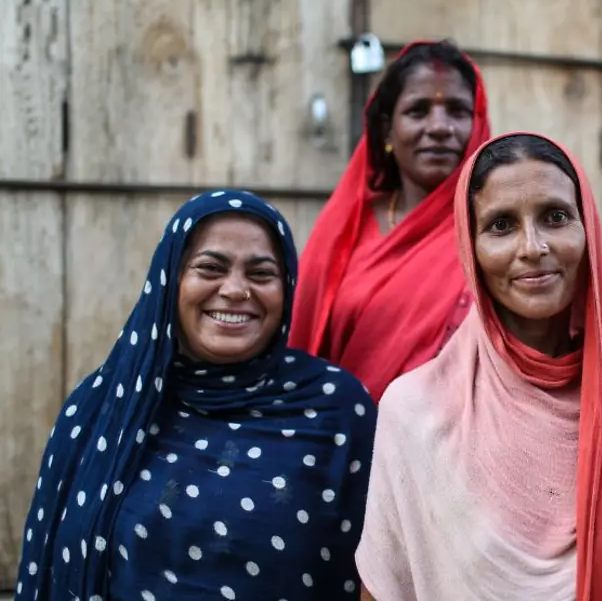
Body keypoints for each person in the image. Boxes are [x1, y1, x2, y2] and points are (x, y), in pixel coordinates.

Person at [354, 133, 602, 600]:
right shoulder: (416, 410)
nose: (532, 247)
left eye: (555, 217)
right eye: (501, 225)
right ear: (469, 245)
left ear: (587, 230)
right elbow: (385, 586)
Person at [14, 190, 377, 600]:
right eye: (210, 268)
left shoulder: (336, 409)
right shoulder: (102, 407)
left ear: (288, 286)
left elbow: (378, 573)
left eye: (261, 274)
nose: (236, 290)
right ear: (171, 280)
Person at [289, 39, 492, 400]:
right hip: (344, 429)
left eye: (458, 111)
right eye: (418, 111)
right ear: (387, 130)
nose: (440, 127)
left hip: (461, 432)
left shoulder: (497, 227)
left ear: (477, 124)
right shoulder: (346, 228)